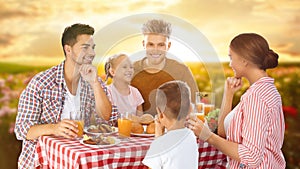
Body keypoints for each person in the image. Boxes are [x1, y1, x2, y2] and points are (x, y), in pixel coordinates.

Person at [14, 23, 118, 168]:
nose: (92, 53)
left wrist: (95, 83)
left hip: (79, 158)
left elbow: (108, 117)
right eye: (85, 47)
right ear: (68, 49)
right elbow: (21, 129)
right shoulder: (41, 83)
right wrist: (54, 128)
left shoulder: (93, 80)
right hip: (44, 161)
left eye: (92, 48)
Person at [187, 33, 286, 168]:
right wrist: (229, 94)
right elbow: (224, 133)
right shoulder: (263, 91)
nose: (230, 63)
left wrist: (208, 136)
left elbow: (251, 157)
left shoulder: (256, 97)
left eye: (231, 57)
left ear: (244, 60)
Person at [131, 19, 199, 116]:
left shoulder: (181, 71)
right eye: (150, 44)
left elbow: (194, 107)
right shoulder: (130, 71)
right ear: (143, 44)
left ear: (168, 46)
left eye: (161, 45)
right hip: (135, 130)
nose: (155, 50)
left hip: (171, 130)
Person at [142, 80, 198, 169]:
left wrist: (158, 138)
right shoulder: (191, 136)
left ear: (160, 113)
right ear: (189, 109)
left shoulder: (160, 143)